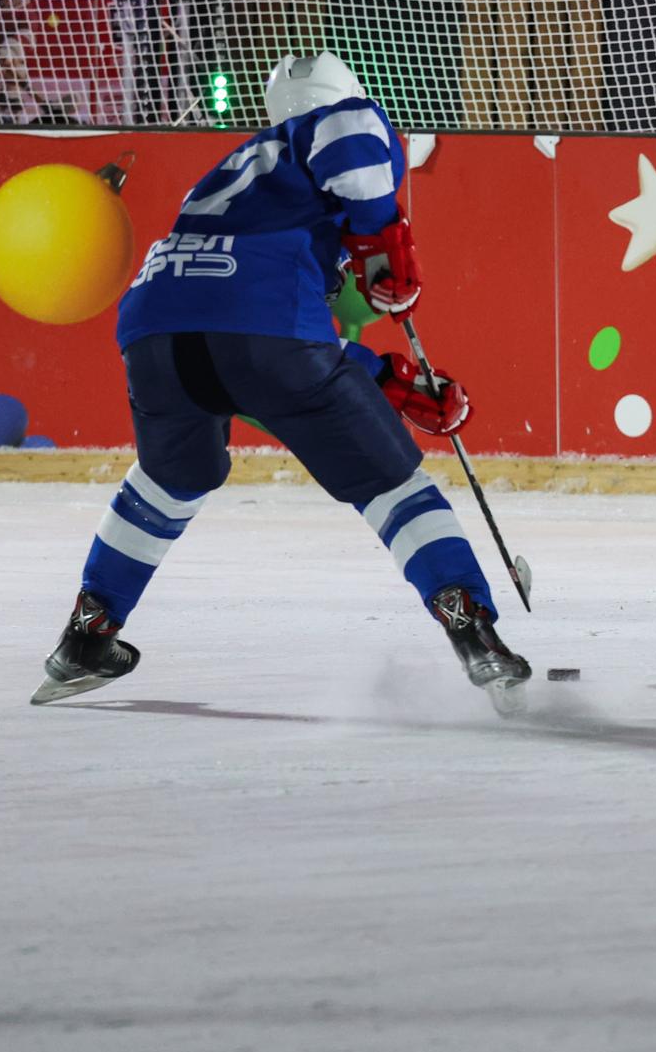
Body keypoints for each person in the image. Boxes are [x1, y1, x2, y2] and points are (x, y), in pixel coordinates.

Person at [31, 51, 532, 711]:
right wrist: (384, 238)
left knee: (169, 479)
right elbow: (348, 135)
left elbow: (259, 344)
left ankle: (87, 632)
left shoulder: (237, 170)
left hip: (156, 329)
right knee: (391, 483)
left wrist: (387, 381)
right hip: (257, 329)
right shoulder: (336, 124)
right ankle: (470, 622)